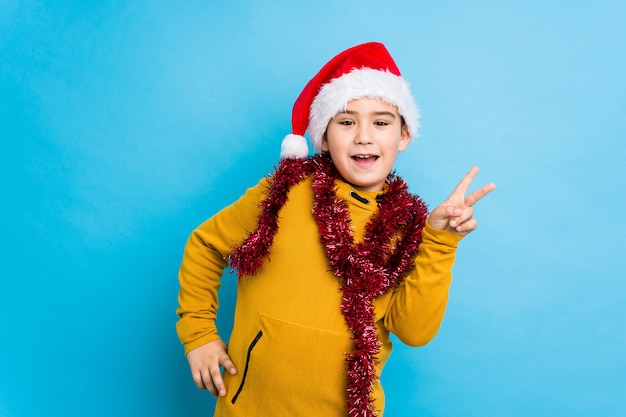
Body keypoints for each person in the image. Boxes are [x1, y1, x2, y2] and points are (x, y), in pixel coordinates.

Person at [176, 41, 495, 417]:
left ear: (403, 137)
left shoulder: (408, 226)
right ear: (323, 138)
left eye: (381, 122)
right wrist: (198, 336)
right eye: (346, 121)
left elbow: (414, 331)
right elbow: (206, 245)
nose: (363, 135)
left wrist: (441, 240)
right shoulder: (284, 192)